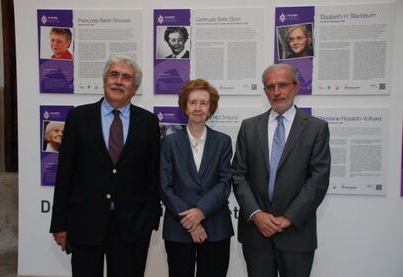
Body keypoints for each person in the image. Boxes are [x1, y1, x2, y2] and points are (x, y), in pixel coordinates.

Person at [50, 56, 161, 277]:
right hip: (84, 222)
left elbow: (153, 174)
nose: (119, 81)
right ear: (104, 81)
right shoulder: (78, 117)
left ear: (135, 87)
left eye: (126, 77)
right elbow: (64, 174)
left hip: (132, 225)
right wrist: (60, 223)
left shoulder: (148, 122)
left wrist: (150, 219)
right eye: (114, 75)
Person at [232, 63, 330, 277]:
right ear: (265, 90)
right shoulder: (249, 127)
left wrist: (289, 217)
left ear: (296, 87)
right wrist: (257, 214)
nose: (277, 92)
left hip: (296, 233)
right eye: (270, 86)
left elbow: (318, 179)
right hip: (256, 234)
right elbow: (238, 175)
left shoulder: (316, 128)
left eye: (283, 85)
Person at [160, 79, 234, 277]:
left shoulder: (223, 141)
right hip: (179, 229)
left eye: (204, 103)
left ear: (211, 109)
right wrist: (191, 221)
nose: (198, 108)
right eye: (193, 102)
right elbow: (164, 186)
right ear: (185, 107)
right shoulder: (169, 142)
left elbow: (224, 183)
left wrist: (201, 211)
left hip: (216, 228)